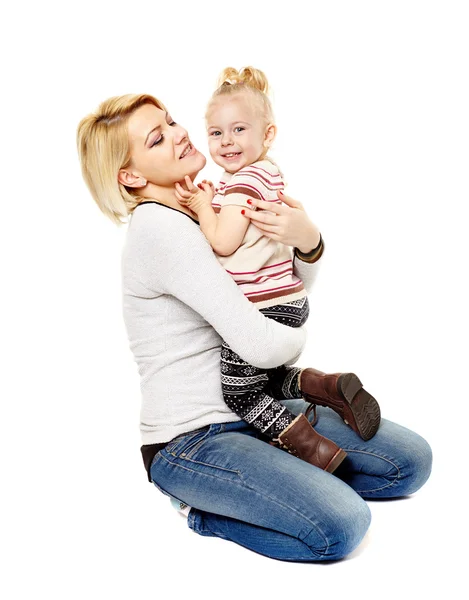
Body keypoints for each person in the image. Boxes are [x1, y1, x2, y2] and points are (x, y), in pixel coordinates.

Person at [76, 92, 432, 562]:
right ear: (131, 176)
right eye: (157, 138)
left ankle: (281, 468)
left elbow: (279, 288)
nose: (180, 134)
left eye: (172, 121)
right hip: (195, 437)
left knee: (408, 463)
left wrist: (307, 240)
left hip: (256, 407)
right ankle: (201, 507)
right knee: (341, 527)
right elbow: (261, 345)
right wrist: (298, 359)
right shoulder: (160, 230)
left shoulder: (207, 201)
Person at [173, 66, 380, 473]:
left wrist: (201, 208)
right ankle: (324, 385)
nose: (226, 142)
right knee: (264, 380)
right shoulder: (264, 174)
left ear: (267, 134)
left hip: (261, 307)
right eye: (216, 133)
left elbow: (224, 242)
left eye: (239, 130)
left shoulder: (241, 184)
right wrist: (213, 200)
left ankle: (314, 450)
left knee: (240, 394)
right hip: (288, 301)